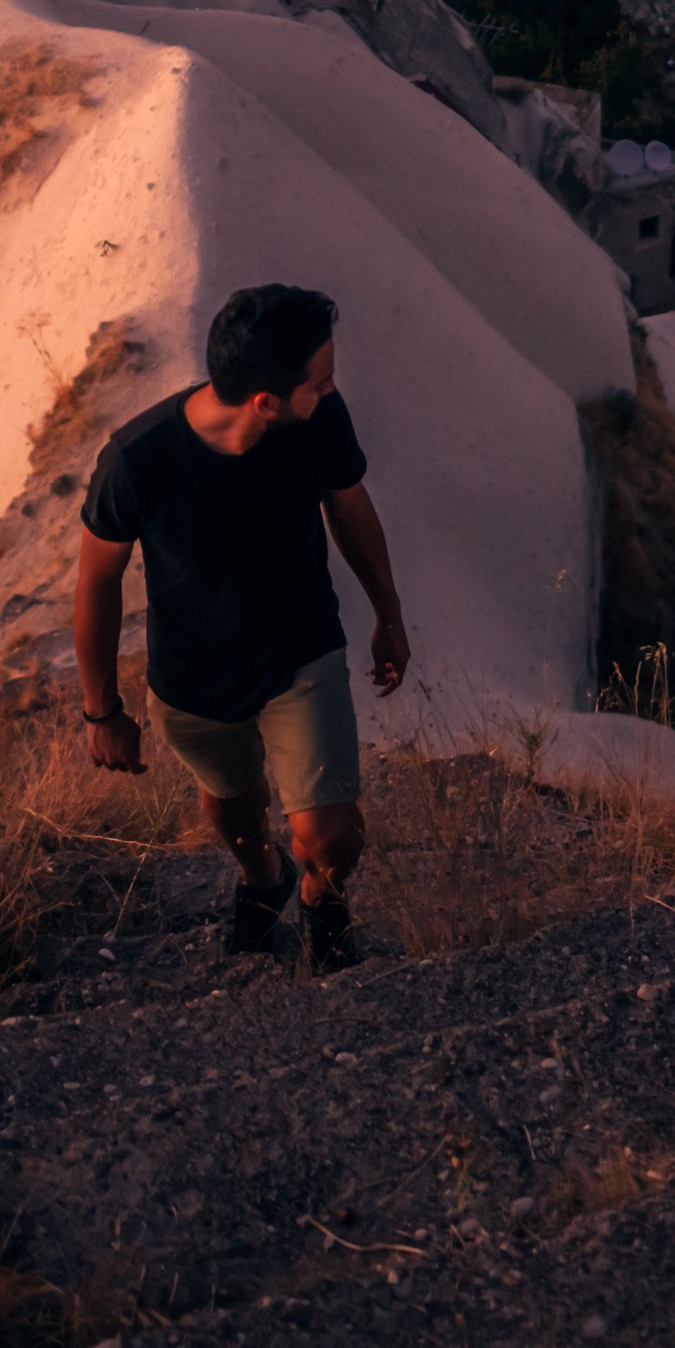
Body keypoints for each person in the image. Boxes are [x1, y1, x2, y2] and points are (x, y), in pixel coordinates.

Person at [74, 283, 409, 966]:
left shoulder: (319, 419)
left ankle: (322, 903)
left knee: (333, 835)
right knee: (236, 808)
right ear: (266, 401)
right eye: (320, 381)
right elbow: (97, 581)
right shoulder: (137, 460)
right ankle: (264, 882)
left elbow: (348, 508)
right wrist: (100, 710)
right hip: (193, 680)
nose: (333, 389)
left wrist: (389, 613)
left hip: (302, 653)